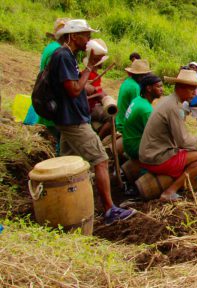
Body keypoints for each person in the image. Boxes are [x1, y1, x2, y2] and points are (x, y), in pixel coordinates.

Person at [49, 19, 135, 225]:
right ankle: (109, 211)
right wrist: (89, 67)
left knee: (69, 166)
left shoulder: (67, 56)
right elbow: (73, 89)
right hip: (73, 120)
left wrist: (94, 89)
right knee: (100, 159)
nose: (88, 39)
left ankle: (67, 207)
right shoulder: (63, 56)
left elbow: (76, 85)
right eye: (85, 35)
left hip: (70, 117)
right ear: (73, 36)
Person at [139, 69, 197, 202]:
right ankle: (170, 191)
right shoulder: (173, 108)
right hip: (156, 156)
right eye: (191, 89)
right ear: (180, 88)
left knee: (196, 151)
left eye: (195, 89)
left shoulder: (169, 101)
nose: (194, 92)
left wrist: (196, 141)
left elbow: (181, 137)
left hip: (150, 152)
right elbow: (182, 141)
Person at [38, 18, 70, 154]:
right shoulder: (58, 52)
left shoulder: (51, 47)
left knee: (60, 140)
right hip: (52, 102)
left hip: (45, 97)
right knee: (61, 142)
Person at [122, 74, 163, 160]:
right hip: (135, 147)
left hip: (128, 142)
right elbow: (156, 135)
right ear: (148, 88)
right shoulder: (146, 109)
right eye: (158, 87)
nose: (162, 89)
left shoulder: (138, 99)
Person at [84, 39, 112, 139]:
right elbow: (94, 93)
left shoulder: (92, 74)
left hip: (92, 105)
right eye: (101, 59)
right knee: (113, 117)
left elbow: (97, 90)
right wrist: (103, 97)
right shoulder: (90, 75)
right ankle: (98, 139)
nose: (103, 62)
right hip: (89, 108)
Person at [116, 59, 151, 132]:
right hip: (124, 124)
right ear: (141, 76)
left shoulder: (128, 81)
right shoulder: (135, 87)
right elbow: (137, 110)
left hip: (119, 118)